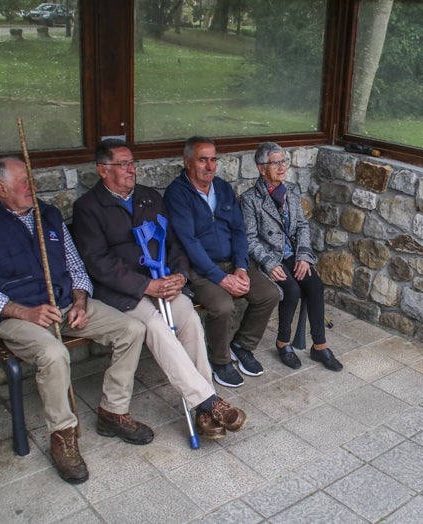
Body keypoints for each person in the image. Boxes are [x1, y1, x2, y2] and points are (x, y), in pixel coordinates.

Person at [0, 157, 153, 485]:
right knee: (53, 354)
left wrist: (80, 300)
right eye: (23, 182)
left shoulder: (48, 216)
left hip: (66, 304)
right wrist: (27, 312)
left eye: (31, 180)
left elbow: (77, 268)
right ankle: (62, 436)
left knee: (132, 329)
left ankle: (113, 412)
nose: (30, 187)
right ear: (1, 189)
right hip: (18, 315)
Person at [71, 139, 247, 440]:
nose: (131, 169)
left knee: (189, 317)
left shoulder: (149, 197)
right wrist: (145, 285)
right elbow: (98, 262)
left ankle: (205, 410)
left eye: (132, 164)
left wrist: (178, 274)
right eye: (122, 164)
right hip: (124, 291)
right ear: (103, 170)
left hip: (162, 281)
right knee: (155, 325)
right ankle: (207, 400)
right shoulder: (88, 207)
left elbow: (173, 242)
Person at [164, 136, 280, 388]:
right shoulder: (177, 193)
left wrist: (240, 266)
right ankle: (219, 360)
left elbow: (239, 230)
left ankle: (242, 345)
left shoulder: (223, 188)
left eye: (213, 159)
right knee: (222, 306)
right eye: (202, 160)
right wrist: (221, 278)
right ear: (187, 162)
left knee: (270, 293)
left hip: (232, 262)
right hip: (200, 268)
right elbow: (188, 242)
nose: (209, 166)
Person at [240, 142, 342, 372]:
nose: (282, 167)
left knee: (314, 285)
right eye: (275, 163)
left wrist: (304, 256)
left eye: (283, 161)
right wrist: (269, 262)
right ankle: (283, 342)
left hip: (293, 254)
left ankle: (320, 345)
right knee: (292, 289)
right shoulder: (250, 199)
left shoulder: (292, 191)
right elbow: (249, 239)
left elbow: (302, 226)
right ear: (261, 168)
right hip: (270, 257)